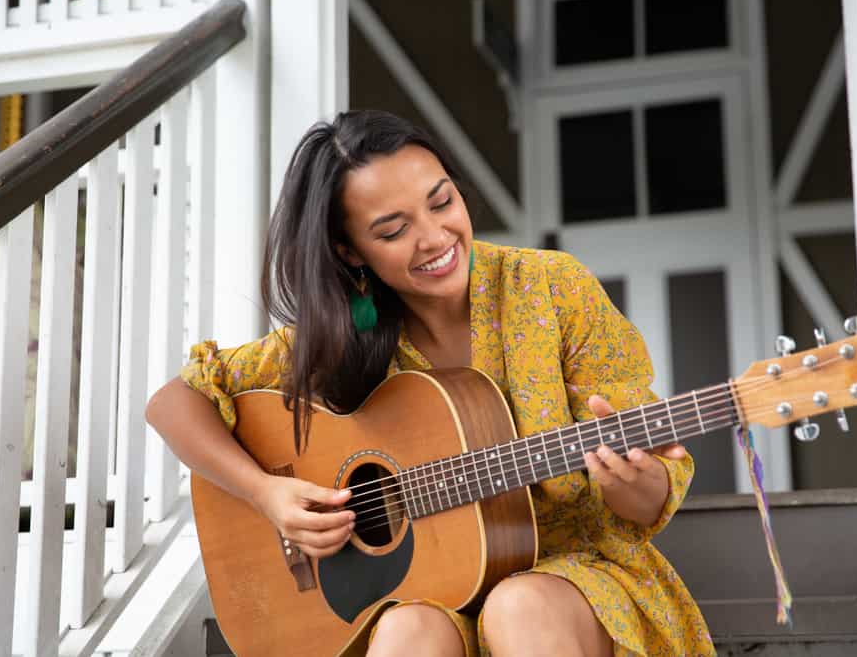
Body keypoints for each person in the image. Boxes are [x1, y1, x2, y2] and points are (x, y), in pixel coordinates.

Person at [146, 110, 715, 656]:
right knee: (406, 635)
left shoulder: (551, 288)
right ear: (350, 251)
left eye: (442, 201)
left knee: (517, 606)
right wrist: (266, 493)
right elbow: (174, 403)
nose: (435, 237)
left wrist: (632, 483)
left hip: (573, 584)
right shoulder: (337, 337)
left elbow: (649, 501)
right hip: (422, 600)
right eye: (394, 231)